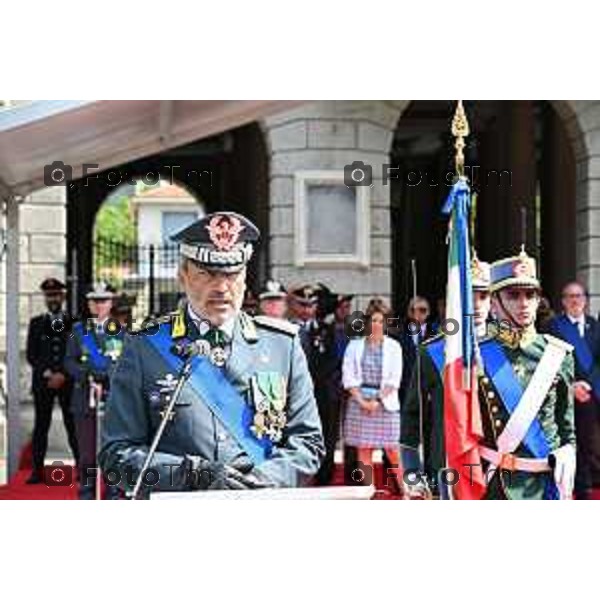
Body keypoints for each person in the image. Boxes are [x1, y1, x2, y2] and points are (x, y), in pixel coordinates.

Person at [99, 211, 324, 497]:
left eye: (231, 274)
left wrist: (264, 478)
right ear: (183, 276)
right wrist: (192, 474)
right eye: (206, 274)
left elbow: (308, 442)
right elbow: (116, 457)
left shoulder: (282, 346)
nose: (221, 287)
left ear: (245, 278)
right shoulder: (145, 348)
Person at [479, 249, 575, 499]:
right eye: (513, 295)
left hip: (545, 483)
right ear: (494, 303)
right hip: (496, 483)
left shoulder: (558, 354)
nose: (524, 303)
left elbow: (567, 429)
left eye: (530, 294)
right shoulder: (476, 355)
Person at [400, 256, 492, 498]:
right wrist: (412, 472)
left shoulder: (509, 350)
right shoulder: (432, 352)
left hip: (498, 469)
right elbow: (412, 414)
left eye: (484, 296)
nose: (478, 304)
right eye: (471, 295)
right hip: (449, 464)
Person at [66, 282, 124, 499]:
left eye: (104, 301)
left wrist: (106, 376)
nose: (99, 305)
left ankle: (112, 492)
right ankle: (87, 493)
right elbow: (69, 361)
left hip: (112, 400)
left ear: (111, 303)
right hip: (84, 397)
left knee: (112, 450)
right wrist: (88, 375)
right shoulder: (78, 332)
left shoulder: (120, 332)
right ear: (89, 304)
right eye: (95, 301)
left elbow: (127, 364)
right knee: (87, 454)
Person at [342, 298, 403, 492]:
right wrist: (362, 401)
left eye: (380, 320)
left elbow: (395, 379)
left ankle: (405, 490)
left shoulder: (394, 346)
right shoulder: (354, 345)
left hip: (385, 402)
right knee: (364, 449)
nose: (376, 324)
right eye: (373, 320)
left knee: (393, 450)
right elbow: (348, 376)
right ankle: (368, 492)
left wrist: (377, 400)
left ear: (385, 322)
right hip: (359, 402)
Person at [547, 281, 600, 499]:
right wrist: (573, 386)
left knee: (592, 442)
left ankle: (590, 481)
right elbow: (551, 361)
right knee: (576, 441)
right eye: (570, 296)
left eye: (578, 296)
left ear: (585, 300)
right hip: (568, 393)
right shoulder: (553, 326)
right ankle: (578, 486)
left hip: (593, 390)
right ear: (563, 301)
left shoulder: (595, 324)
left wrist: (589, 384)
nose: (575, 300)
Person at [25, 278, 79, 484]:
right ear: (45, 298)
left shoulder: (74, 323)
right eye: (49, 296)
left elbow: (78, 352)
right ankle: (37, 471)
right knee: (41, 425)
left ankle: (81, 469)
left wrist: (63, 374)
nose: (53, 299)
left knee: (72, 425)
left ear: (63, 297)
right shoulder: (36, 323)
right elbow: (32, 355)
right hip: (44, 382)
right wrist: (48, 373)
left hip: (67, 381)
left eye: (56, 295)